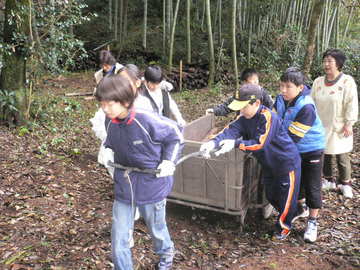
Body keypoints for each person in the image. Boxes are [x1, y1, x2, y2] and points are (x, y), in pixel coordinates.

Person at [95, 74, 183, 270]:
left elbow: (176, 135)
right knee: (119, 236)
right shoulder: (111, 120)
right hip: (125, 185)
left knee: (156, 228)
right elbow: (110, 140)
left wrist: (169, 161)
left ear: (126, 101)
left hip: (152, 183)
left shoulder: (146, 120)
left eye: (109, 104)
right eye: (102, 104)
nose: (104, 109)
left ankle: (166, 252)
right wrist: (107, 149)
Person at [200, 84, 301, 240]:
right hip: (268, 164)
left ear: (256, 104)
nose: (240, 111)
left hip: (285, 163)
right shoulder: (244, 118)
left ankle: (284, 227)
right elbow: (230, 130)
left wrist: (235, 144)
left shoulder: (268, 118)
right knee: (271, 195)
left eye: (243, 107)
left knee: (286, 197)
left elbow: (260, 143)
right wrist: (213, 143)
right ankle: (295, 210)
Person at [273, 67, 325, 243]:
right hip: (293, 148)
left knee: (312, 186)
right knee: (297, 183)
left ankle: (312, 222)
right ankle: (298, 209)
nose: (283, 90)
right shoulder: (280, 99)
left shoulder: (306, 106)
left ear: (300, 87)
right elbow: (274, 120)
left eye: (288, 86)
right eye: (281, 86)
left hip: (311, 149)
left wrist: (269, 147)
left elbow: (292, 137)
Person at [311, 49, 358, 199]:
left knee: (342, 155)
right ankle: (328, 180)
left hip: (339, 123)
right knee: (325, 152)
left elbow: (352, 103)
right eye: (325, 61)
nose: (326, 64)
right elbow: (311, 102)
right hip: (321, 123)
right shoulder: (318, 81)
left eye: (330, 61)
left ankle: (345, 184)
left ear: (338, 63)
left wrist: (349, 123)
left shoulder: (347, 81)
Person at [206, 68, 274, 116]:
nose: (245, 86)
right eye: (244, 84)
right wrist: (215, 111)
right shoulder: (241, 94)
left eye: (256, 81)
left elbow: (270, 108)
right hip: (241, 123)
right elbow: (228, 106)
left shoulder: (263, 94)